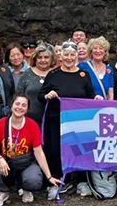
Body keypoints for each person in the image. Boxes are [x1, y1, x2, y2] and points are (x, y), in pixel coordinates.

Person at [38, 42, 99, 200]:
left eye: (72, 55)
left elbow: (91, 96)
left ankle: (79, 181)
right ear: (61, 56)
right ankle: (55, 182)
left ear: (77, 56)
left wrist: (97, 98)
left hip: (79, 123)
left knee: (79, 150)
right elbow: (40, 96)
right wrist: (47, 95)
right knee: (55, 151)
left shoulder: (84, 75)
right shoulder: (53, 74)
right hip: (56, 120)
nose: (69, 58)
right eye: (66, 55)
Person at [0, 95, 63, 205]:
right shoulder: (1, 123)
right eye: (17, 104)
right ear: (11, 105)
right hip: (6, 163)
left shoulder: (32, 125)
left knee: (34, 181)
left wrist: (49, 176)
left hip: (25, 162)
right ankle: (2, 191)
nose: (20, 107)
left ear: (27, 109)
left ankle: (26, 188)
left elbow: (39, 152)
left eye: (24, 105)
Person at [18, 45, 55, 122]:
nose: (43, 60)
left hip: (52, 119)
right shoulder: (27, 74)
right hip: (29, 119)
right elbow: (18, 95)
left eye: (46, 57)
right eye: (40, 57)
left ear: (51, 59)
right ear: (35, 59)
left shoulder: (57, 74)